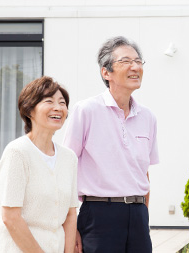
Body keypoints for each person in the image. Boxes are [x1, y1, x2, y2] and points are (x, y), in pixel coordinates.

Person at [63, 36, 159, 252]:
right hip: (98, 215)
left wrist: (143, 215)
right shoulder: (86, 110)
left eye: (138, 61)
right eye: (126, 61)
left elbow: (144, 173)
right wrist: (70, 226)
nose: (135, 67)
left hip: (137, 214)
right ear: (106, 72)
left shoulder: (148, 117)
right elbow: (65, 168)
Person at [0, 76, 78, 253]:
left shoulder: (69, 158)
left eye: (62, 103)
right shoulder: (17, 152)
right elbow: (10, 217)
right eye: (49, 101)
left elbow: (70, 214)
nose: (58, 108)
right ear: (29, 110)